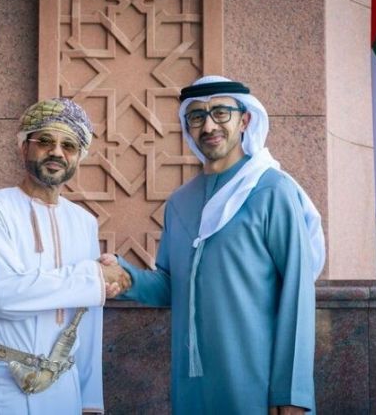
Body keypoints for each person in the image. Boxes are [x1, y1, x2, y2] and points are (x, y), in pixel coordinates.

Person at [101, 76, 326, 414]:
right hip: (191, 385)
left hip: (259, 384)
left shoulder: (272, 191)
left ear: (244, 120)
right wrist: (126, 277)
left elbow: (297, 290)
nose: (209, 126)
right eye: (197, 116)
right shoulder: (180, 202)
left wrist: (292, 392)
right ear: (188, 128)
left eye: (221, 113)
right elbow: (172, 284)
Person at [0, 98, 130, 414]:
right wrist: (93, 277)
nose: (57, 152)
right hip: (2, 383)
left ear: (78, 157)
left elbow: (87, 318)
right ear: (24, 147)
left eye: (69, 146)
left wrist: (90, 400)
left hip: (65, 386)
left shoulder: (84, 222)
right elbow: (5, 294)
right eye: (45, 141)